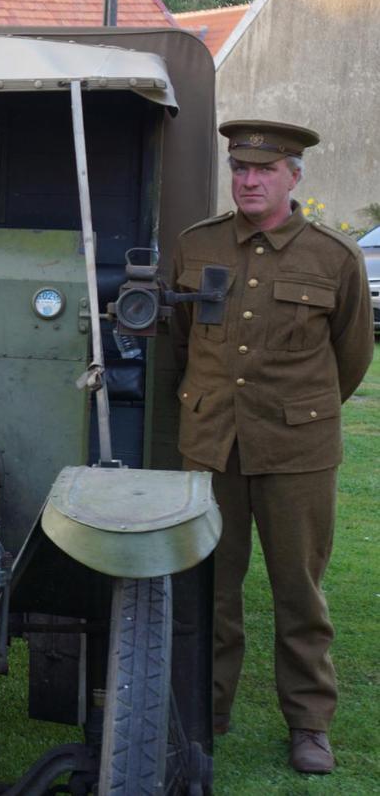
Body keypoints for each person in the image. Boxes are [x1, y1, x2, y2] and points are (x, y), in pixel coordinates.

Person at [170, 120, 372, 774]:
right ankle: (207, 709)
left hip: (296, 454)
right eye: (238, 167)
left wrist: (294, 415)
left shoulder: (331, 259)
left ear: (293, 177)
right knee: (209, 590)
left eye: (264, 169)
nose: (248, 180)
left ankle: (309, 724)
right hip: (211, 444)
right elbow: (177, 345)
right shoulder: (195, 246)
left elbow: (350, 356)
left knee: (298, 593)